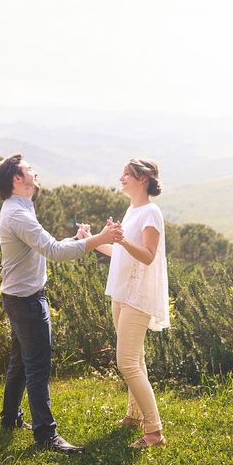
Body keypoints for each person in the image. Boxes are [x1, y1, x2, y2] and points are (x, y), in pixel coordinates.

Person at [0, 154, 123, 454]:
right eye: (28, 170)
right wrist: (99, 238)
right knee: (36, 367)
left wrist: (76, 239)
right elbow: (53, 252)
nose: (34, 172)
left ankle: (9, 418)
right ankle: (46, 436)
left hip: (17, 297)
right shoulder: (18, 214)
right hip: (26, 301)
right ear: (17, 180)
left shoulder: (19, 208)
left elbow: (44, 247)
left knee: (21, 362)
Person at [79, 158, 169, 448]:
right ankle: (134, 416)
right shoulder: (132, 210)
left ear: (142, 179)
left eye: (126, 175)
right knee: (136, 359)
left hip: (138, 297)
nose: (121, 179)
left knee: (127, 362)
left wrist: (121, 240)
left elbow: (147, 255)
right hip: (121, 294)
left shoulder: (151, 213)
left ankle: (154, 432)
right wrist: (90, 240)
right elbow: (120, 252)